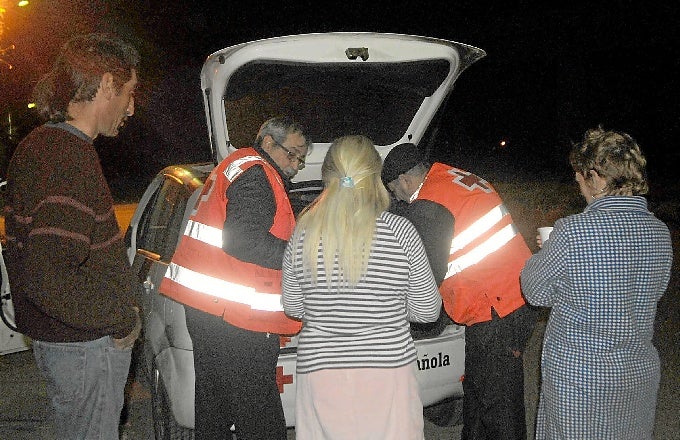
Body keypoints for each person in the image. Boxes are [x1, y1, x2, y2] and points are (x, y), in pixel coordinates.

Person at [3, 33, 142, 439]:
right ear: (105, 86)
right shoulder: (65, 158)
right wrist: (120, 321)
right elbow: (49, 276)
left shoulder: (45, 147)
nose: (131, 108)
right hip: (86, 349)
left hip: (68, 344)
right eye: (129, 93)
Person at [159, 116, 310, 439]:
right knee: (260, 416)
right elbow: (243, 240)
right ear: (268, 142)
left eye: (301, 158)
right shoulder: (256, 175)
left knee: (215, 408)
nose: (296, 165)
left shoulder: (238, 166)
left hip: (212, 310)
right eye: (293, 154)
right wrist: (305, 256)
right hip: (236, 319)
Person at [282, 135, 441, 439]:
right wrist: (388, 305)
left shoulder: (303, 233)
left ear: (327, 176)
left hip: (321, 374)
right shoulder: (400, 232)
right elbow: (427, 310)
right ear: (375, 178)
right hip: (387, 373)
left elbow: (293, 306)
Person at [520, 127, 673, 439]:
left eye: (581, 180)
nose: (581, 190)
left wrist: (547, 252)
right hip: (636, 377)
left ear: (597, 176)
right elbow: (651, 292)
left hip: (581, 383)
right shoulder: (660, 233)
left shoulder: (573, 231)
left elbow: (535, 292)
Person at [381, 142, 537, 440]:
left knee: (500, 410)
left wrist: (413, 323)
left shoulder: (429, 203)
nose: (396, 199)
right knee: (478, 401)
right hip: (510, 297)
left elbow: (425, 275)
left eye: (393, 191)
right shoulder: (451, 177)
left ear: (404, 181)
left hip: (496, 308)